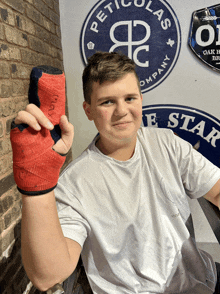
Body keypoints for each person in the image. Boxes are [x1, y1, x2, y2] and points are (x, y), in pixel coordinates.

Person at [11, 51, 220, 294]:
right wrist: (37, 186)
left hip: (200, 283)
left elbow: (217, 191)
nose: (122, 111)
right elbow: (49, 276)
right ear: (88, 111)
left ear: (141, 99)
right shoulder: (74, 182)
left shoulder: (167, 144)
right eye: (107, 102)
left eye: (130, 98)